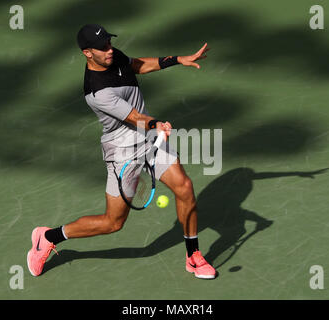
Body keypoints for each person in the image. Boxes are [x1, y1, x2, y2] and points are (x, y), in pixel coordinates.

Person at [27, 24, 216, 279]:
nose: (109, 49)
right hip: (123, 150)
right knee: (113, 223)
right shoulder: (97, 92)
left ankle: (193, 256)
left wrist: (177, 60)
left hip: (149, 138)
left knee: (184, 187)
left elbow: (138, 65)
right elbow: (135, 117)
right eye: (102, 47)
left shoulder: (112, 56)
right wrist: (156, 124)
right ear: (87, 53)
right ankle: (49, 236)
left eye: (109, 43)